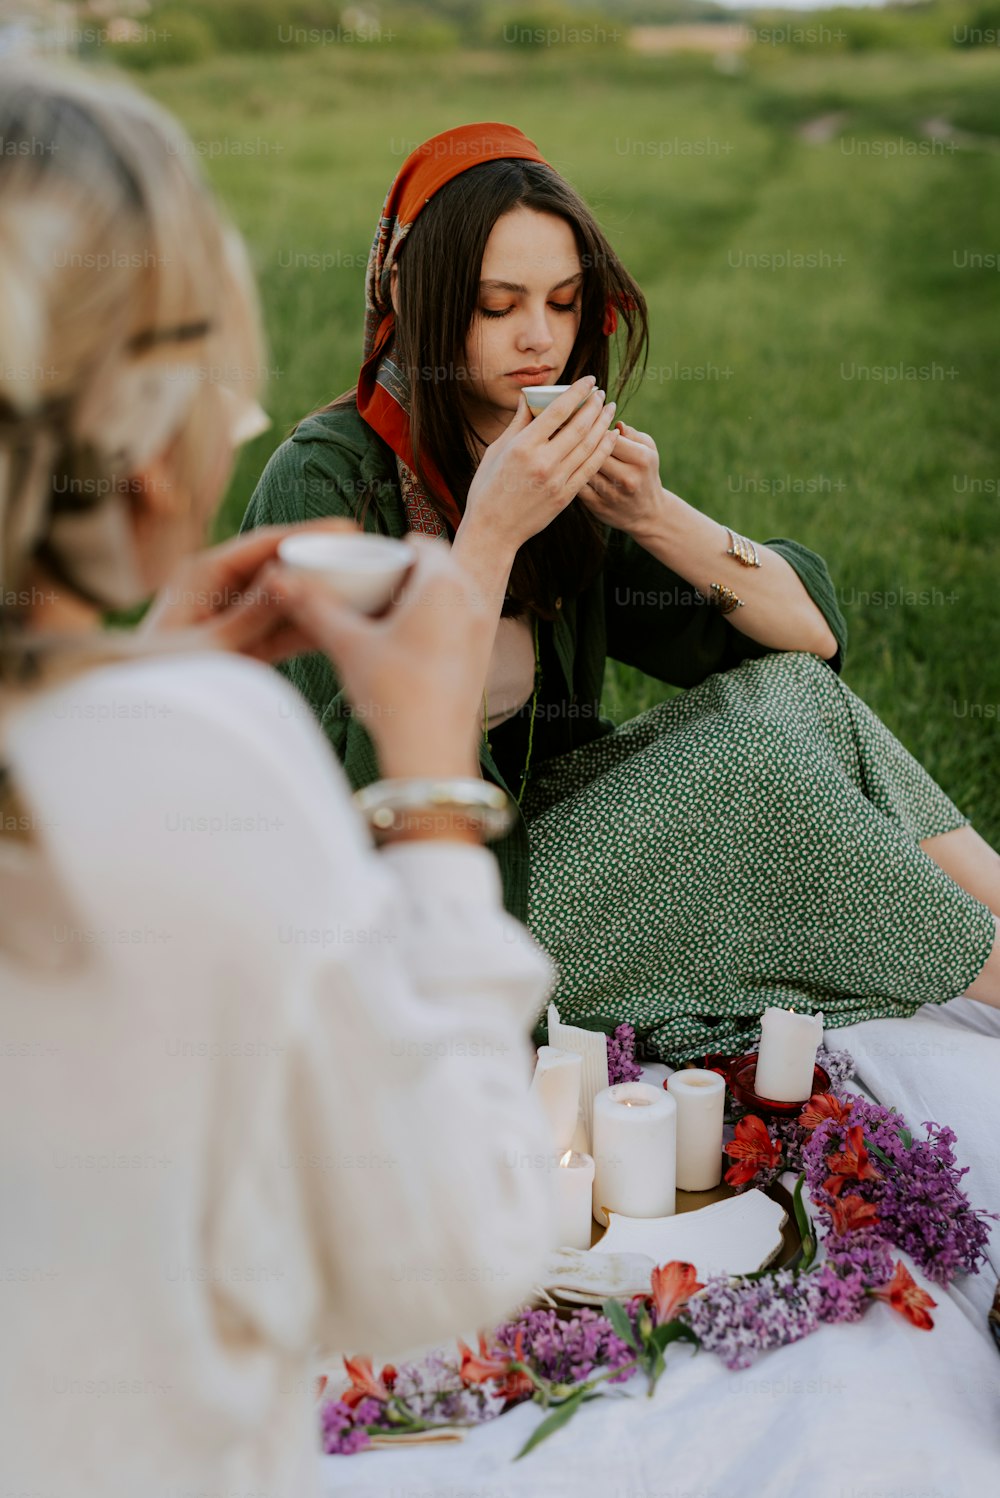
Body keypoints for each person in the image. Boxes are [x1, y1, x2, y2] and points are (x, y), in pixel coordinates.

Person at [0, 69, 560, 1497]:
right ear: (146, 430)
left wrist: (140, 666)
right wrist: (432, 791)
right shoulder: (207, 762)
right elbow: (455, 1245)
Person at [243, 122, 1000, 1064]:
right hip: (426, 921)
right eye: (496, 305)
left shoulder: (547, 451)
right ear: (417, 299)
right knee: (755, 774)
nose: (541, 339)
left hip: (556, 834)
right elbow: (336, 800)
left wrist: (651, 513)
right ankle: (988, 970)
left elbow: (804, 642)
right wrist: (486, 535)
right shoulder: (329, 483)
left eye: (564, 305)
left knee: (790, 703)